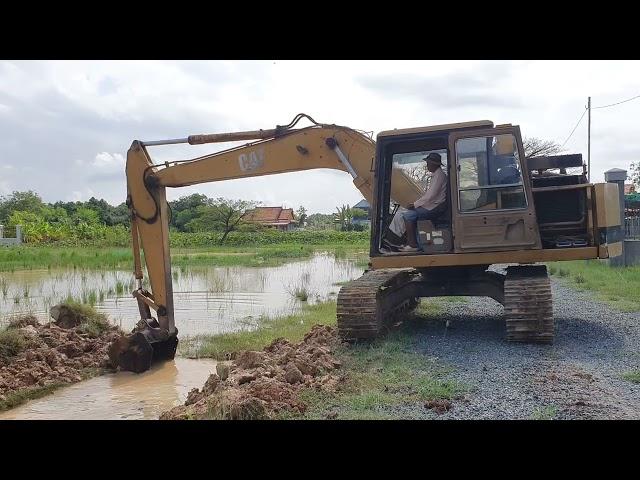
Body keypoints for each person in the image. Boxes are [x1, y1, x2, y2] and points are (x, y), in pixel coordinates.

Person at [399, 152, 447, 252]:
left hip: (435, 207)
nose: (427, 165)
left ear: (434, 164)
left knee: (408, 216)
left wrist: (415, 204)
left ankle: (413, 245)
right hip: (433, 205)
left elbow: (431, 196)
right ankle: (417, 243)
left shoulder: (439, 176)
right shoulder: (437, 175)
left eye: (428, 163)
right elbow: (429, 196)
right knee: (412, 215)